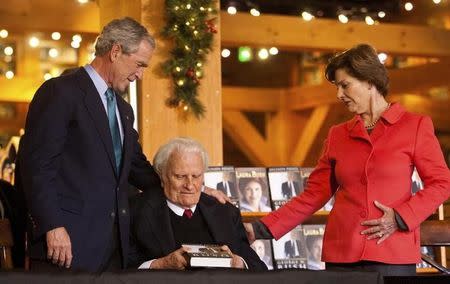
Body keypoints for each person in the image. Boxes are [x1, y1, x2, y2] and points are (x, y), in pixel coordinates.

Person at [17, 17, 226, 273]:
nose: (140, 74)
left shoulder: (124, 109)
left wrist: (196, 192)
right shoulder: (61, 92)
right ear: (115, 51)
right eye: (139, 64)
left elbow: (138, 168)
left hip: (115, 251)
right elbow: (37, 167)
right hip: (66, 245)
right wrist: (52, 226)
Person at [245, 44, 450, 276]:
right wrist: (260, 228)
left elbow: (442, 183)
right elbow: (313, 195)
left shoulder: (415, 126)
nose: (339, 95)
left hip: (393, 253)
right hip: (341, 255)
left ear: (370, 82)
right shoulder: (337, 135)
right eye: (337, 87)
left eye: (345, 85)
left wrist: (401, 217)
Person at [128, 137, 266, 271]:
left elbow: (258, 268)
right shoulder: (134, 212)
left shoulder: (225, 212)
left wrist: (237, 262)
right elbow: (120, 271)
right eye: (180, 176)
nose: (189, 185)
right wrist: (160, 265)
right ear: (162, 176)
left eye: (196, 176)